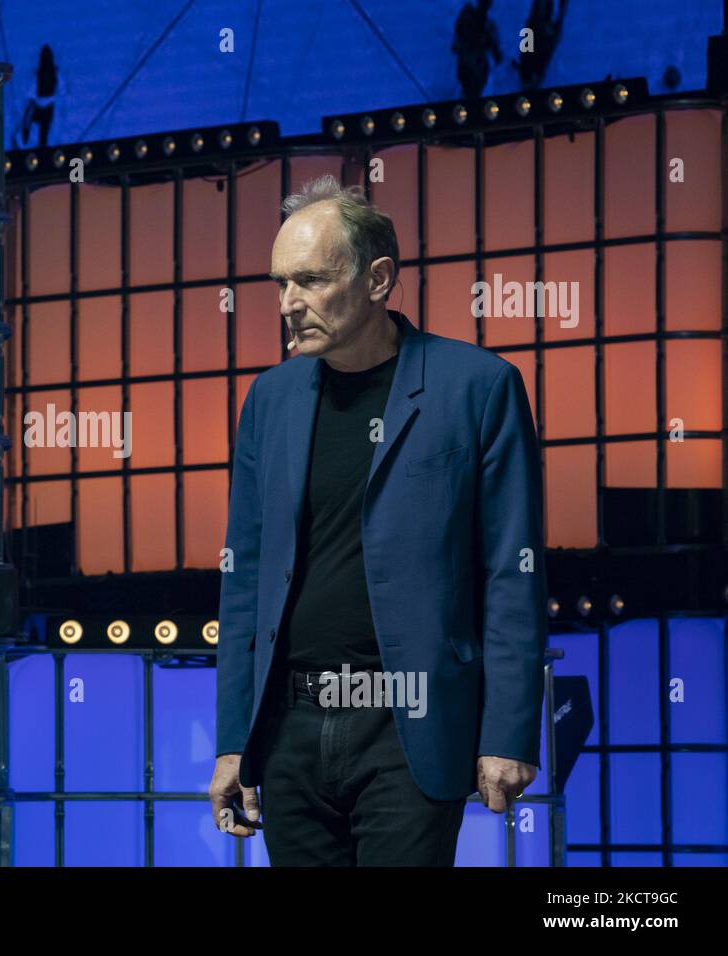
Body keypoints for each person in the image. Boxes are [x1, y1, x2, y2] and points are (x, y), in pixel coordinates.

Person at [208, 175, 547, 866]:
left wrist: (508, 731)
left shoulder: (479, 387)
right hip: (290, 730)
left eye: (308, 279)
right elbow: (243, 581)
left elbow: (513, 573)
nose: (287, 303)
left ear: (379, 279)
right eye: (279, 284)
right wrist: (232, 740)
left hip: (409, 720)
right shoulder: (269, 400)